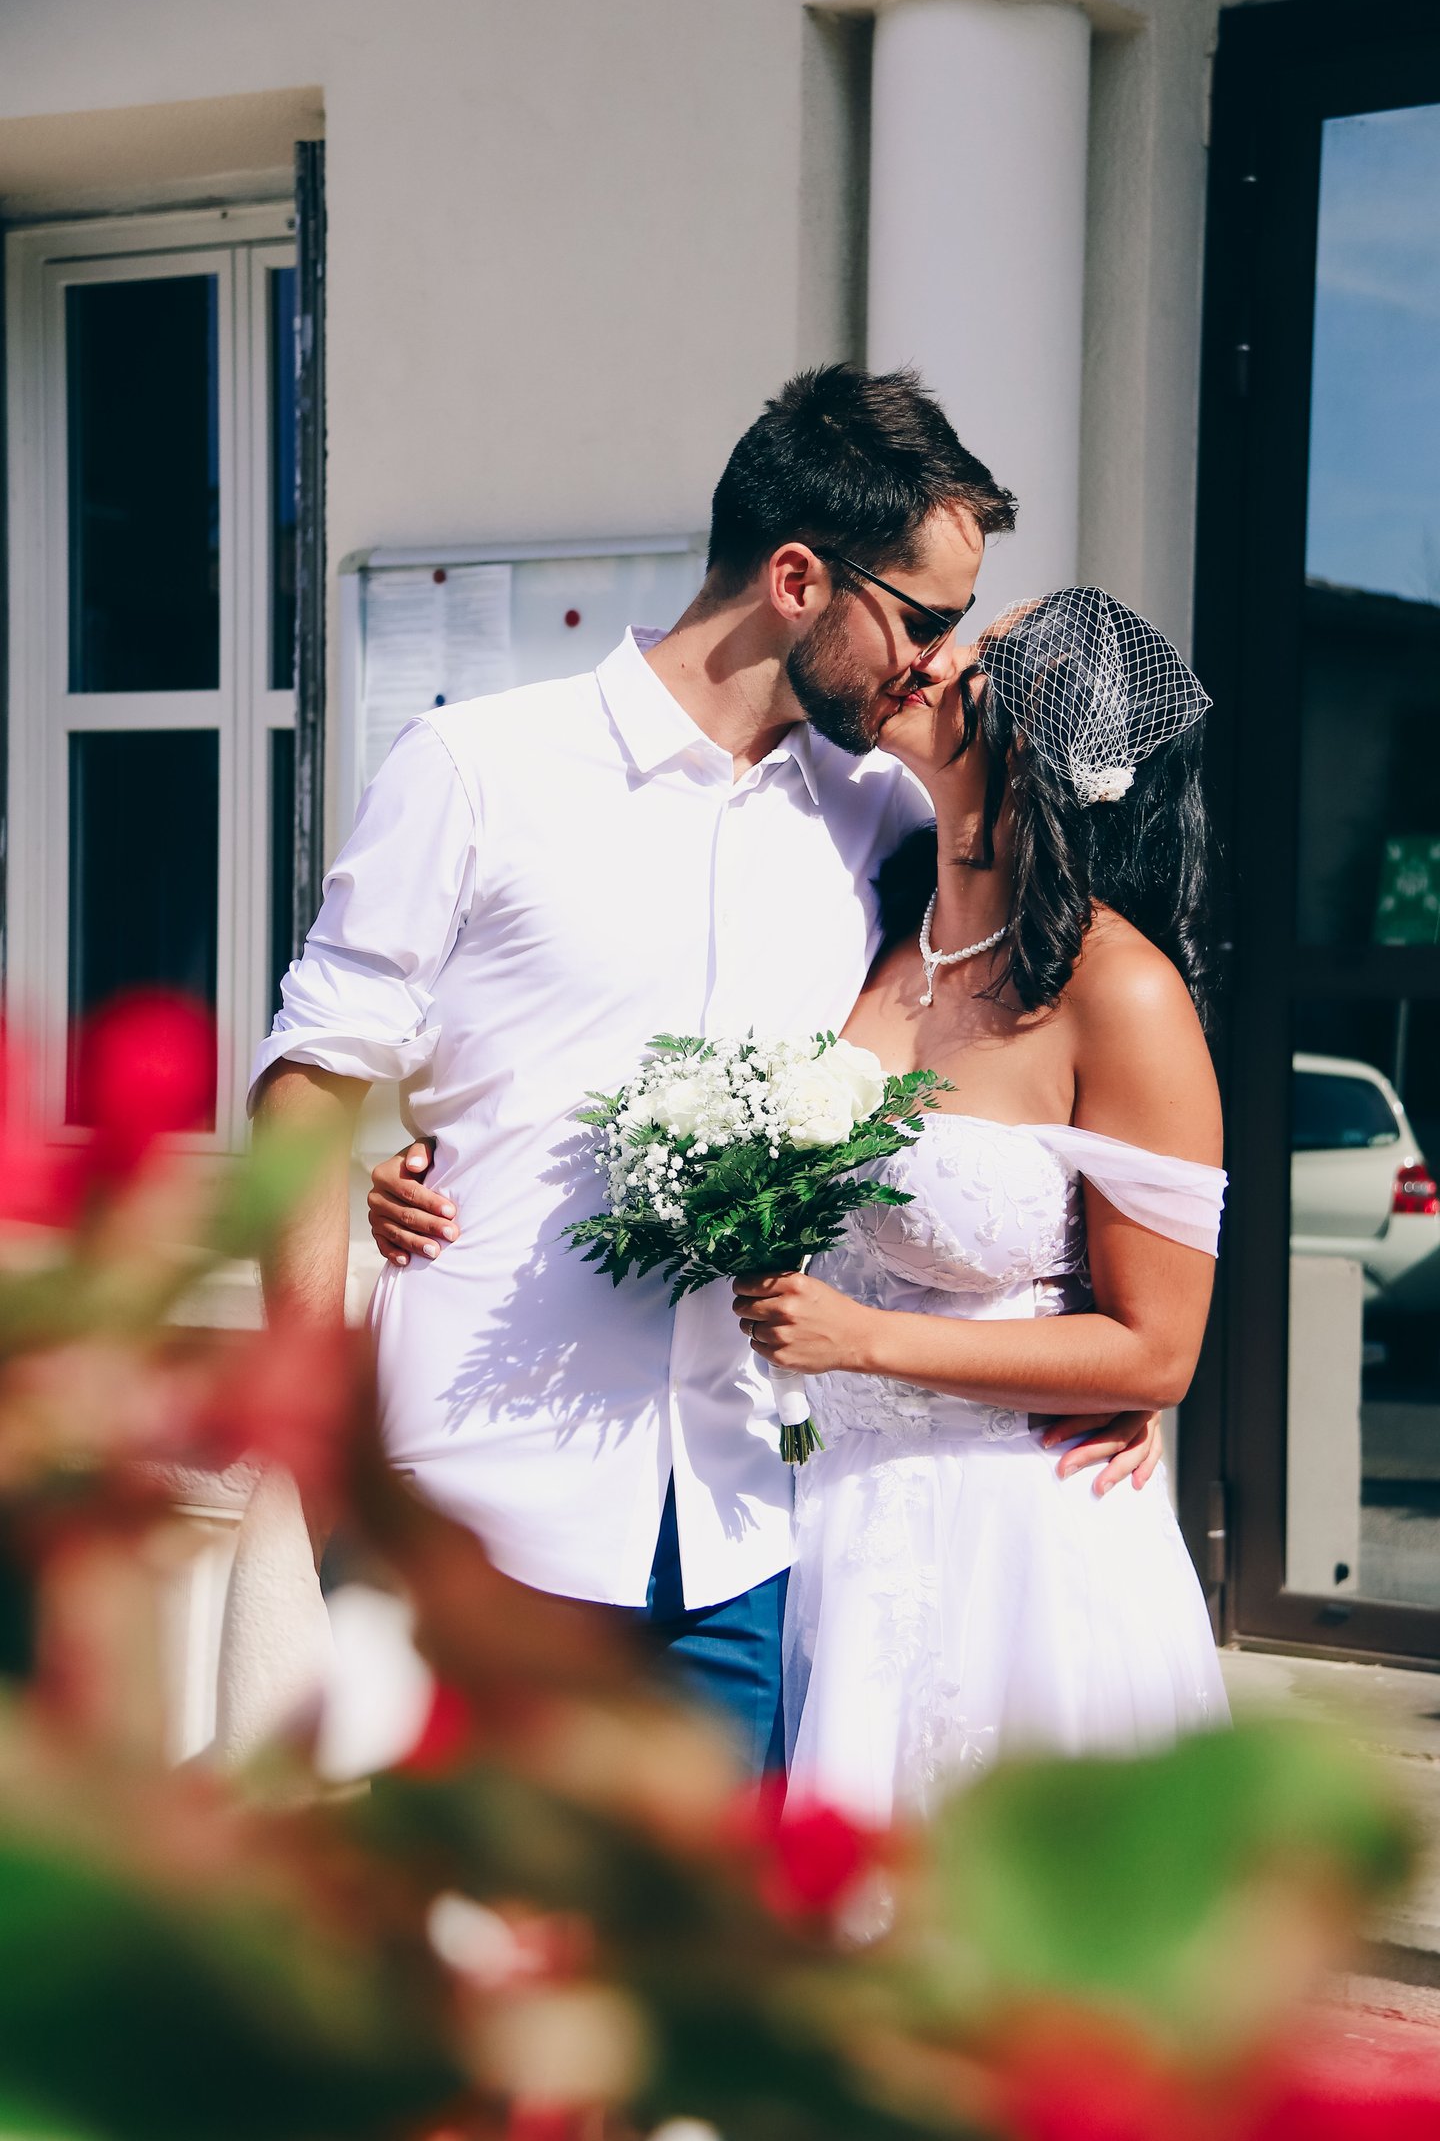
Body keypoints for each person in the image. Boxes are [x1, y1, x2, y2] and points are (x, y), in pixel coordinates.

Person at [258, 366, 1161, 1779]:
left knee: (703, 1979)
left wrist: (1106, 1343)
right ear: (800, 579)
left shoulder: (881, 820)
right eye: (922, 619)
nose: (935, 663)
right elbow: (309, 1084)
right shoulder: (479, 767)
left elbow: (1023, 1034)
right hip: (482, 1514)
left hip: (742, 1536)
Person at [725, 588, 1229, 1823]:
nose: (937, 659)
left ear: (1052, 746)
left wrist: (867, 1342)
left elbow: (1155, 1351)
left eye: (987, 660)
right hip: (833, 1521)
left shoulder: (1123, 995)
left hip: (1017, 1557)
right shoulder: (880, 927)